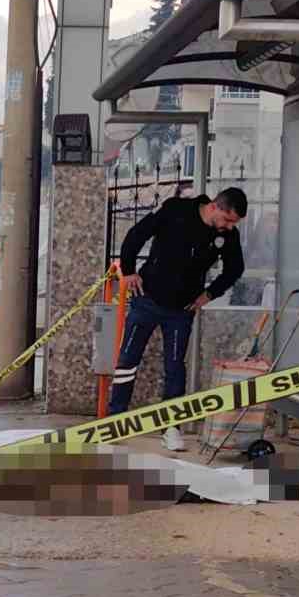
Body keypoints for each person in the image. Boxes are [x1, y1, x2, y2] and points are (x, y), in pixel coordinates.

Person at [109, 187, 247, 451]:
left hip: (181, 310)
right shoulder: (175, 210)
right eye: (228, 220)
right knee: (128, 359)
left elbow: (234, 269)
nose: (229, 227)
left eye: (234, 224)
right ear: (216, 207)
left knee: (175, 367)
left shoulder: (228, 236)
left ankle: (171, 427)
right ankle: (116, 419)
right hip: (146, 299)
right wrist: (128, 272)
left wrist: (208, 294)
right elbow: (136, 235)